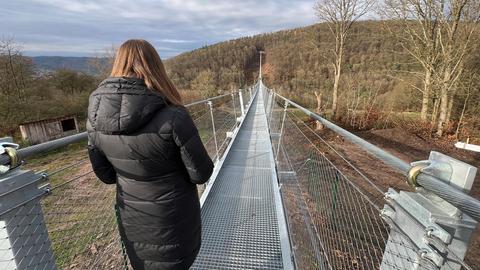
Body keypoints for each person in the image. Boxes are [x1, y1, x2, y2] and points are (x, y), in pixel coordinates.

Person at [86, 39, 214, 270]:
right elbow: (201, 174)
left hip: (133, 218)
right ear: (155, 67)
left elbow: (105, 175)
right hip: (173, 217)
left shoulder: (95, 120)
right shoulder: (174, 116)